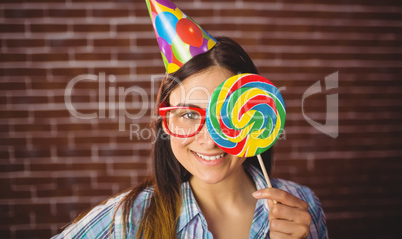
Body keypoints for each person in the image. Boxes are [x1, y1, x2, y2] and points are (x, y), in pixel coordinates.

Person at [52, 37, 328, 239]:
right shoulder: (127, 219)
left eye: (226, 116)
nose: (209, 140)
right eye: (188, 115)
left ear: (256, 116)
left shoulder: (303, 207)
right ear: (165, 121)